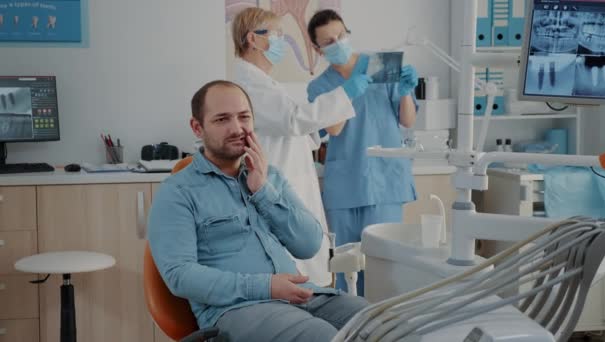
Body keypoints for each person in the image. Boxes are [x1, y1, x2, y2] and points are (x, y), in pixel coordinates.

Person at [147, 80, 368, 341]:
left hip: (305, 296)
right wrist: (266, 287)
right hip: (239, 309)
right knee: (324, 337)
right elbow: (180, 276)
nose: (237, 128)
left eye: (244, 117)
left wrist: (262, 191)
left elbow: (308, 244)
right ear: (197, 127)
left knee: (387, 324)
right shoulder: (178, 191)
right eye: (222, 119)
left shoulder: (268, 176)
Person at [231, 7, 372, 287]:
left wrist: (314, 126)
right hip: (276, 187)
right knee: (294, 275)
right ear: (253, 39)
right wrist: (346, 93)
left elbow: (294, 127)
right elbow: (294, 119)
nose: (282, 42)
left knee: (305, 271)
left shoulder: (264, 83)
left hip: (286, 181)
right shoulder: (250, 85)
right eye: (277, 35)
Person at [307, 9, 419, 296]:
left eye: (341, 35)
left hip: (385, 181)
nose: (338, 42)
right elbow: (332, 129)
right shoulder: (318, 87)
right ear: (318, 50)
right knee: (347, 268)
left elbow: (407, 120)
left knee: (386, 267)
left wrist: (406, 90)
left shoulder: (380, 66)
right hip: (346, 185)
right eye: (329, 41)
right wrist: (349, 92)